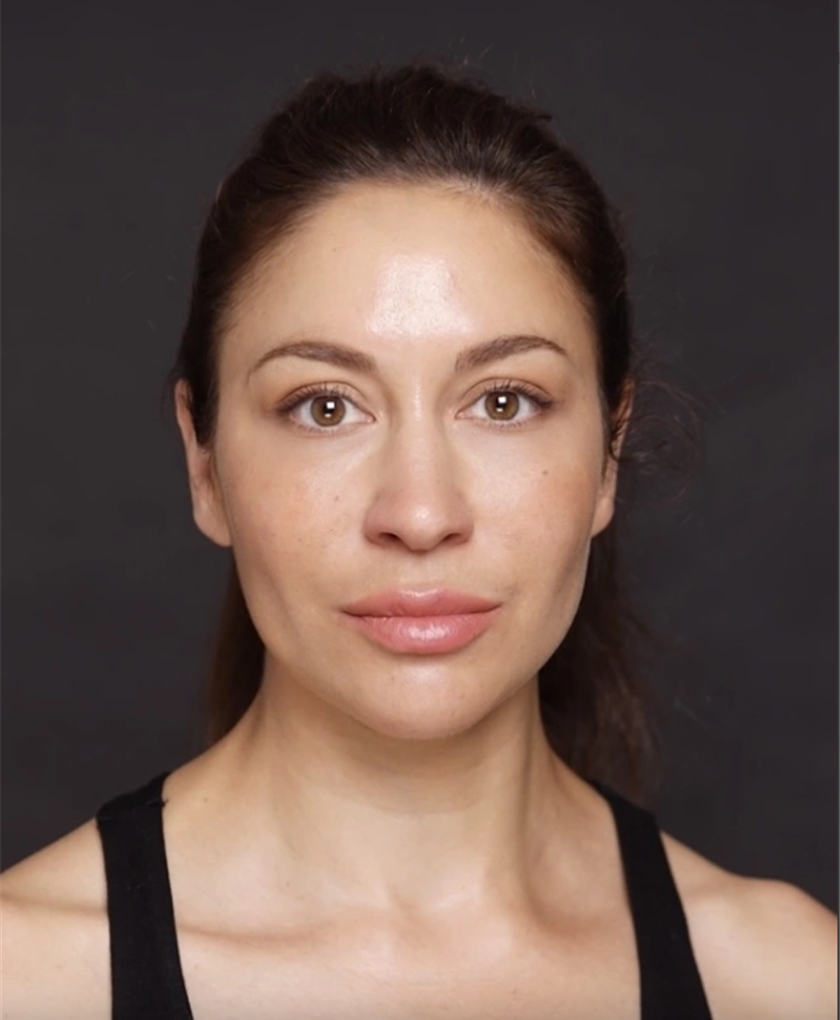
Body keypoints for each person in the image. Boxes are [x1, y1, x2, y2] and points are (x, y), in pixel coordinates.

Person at [2, 61, 836, 1020]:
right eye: (324, 406)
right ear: (205, 463)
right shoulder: (25, 980)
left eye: (504, 401)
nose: (422, 512)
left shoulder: (789, 985)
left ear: (609, 451)